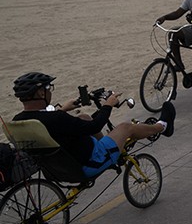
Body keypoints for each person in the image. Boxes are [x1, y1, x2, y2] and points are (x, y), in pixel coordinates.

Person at [11, 72, 174, 179]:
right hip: (85, 166)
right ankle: (163, 126)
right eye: (49, 89)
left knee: (83, 117)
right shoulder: (57, 118)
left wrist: (63, 109)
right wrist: (108, 105)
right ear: (41, 93)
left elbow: (47, 121)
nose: (50, 92)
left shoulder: (19, 121)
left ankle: (110, 149)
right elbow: (95, 127)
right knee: (126, 127)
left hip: (55, 170)